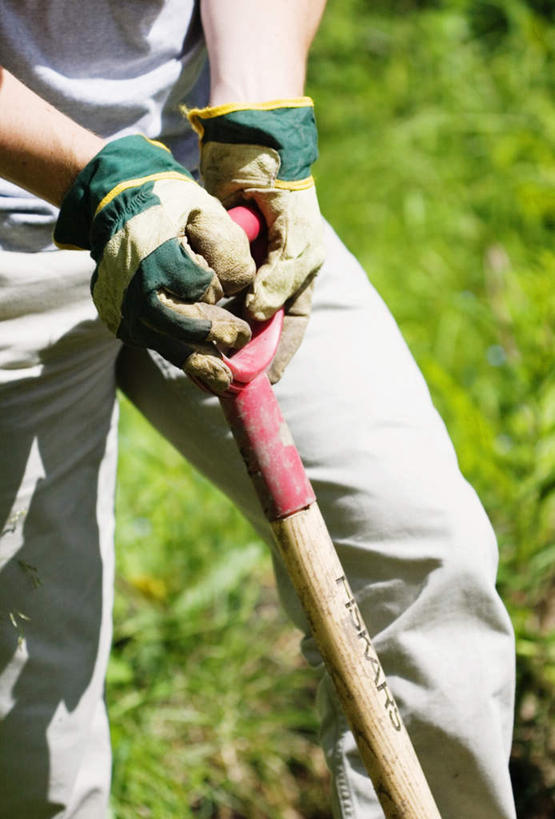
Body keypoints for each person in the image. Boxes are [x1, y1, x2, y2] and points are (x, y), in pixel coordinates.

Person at [0, 2, 517, 817]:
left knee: (421, 559)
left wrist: (256, 124)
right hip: (10, 245)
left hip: (212, 211)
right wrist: (99, 183)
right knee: (27, 721)